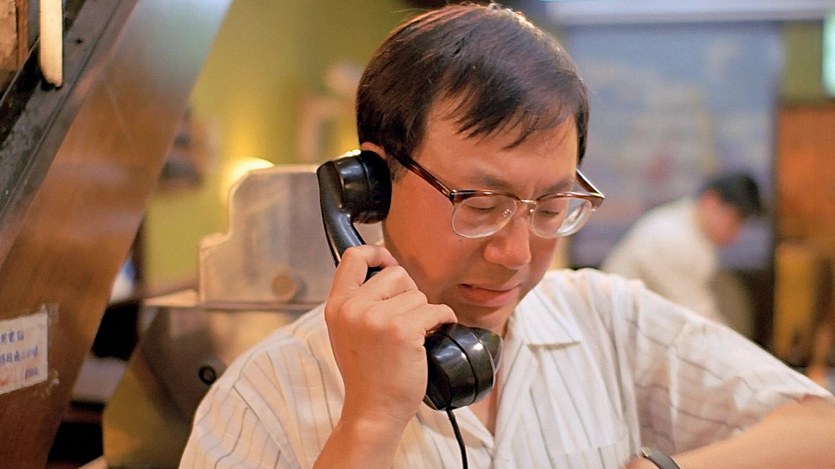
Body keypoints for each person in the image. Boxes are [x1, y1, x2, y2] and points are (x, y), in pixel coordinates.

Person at [180, 4, 835, 468]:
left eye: (550, 206)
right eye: (480, 204)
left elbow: (821, 428)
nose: (516, 255)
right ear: (373, 184)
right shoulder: (263, 395)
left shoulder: (607, 319)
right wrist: (370, 422)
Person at [601, 173, 763, 326]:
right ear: (711, 200)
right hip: (616, 329)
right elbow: (699, 318)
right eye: (734, 221)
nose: (735, 235)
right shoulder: (671, 236)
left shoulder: (691, 230)